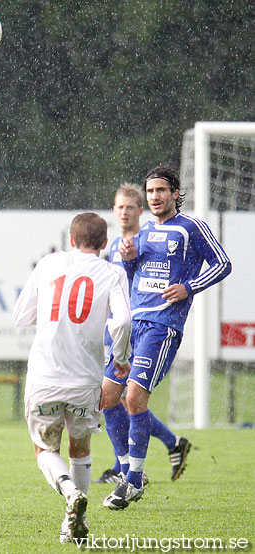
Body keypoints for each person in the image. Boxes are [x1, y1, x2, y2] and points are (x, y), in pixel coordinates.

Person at [103, 165, 232, 510]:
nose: (155, 197)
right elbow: (133, 279)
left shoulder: (190, 227)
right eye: (150, 191)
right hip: (133, 325)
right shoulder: (143, 232)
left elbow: (222, 264)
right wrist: (130, 261)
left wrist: (188, 287)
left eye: (161, 190)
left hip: (162, 327)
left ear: (175, 193)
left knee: (133, 398)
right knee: (107, 396)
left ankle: (132, 480)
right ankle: (142, 461)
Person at [13, 212, 132, 544]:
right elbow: (122, 322)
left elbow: (21, 315)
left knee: (43, 448)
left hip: (44, 376)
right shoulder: (112, 272)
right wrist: (120, 359)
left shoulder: (50, 264)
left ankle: (68, 492)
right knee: (80, 447)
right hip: (85, 380)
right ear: (104, 244)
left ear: (71, 240)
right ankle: (71, 525)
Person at [98, 184, 189, 485]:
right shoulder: (112, 245)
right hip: (118, 328)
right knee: (112, 397)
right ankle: (169, 444)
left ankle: (123, 468)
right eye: (119, 207)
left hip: (145, 324)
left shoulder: (149, 240)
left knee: (130, 398)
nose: (124, 212)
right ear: (113, 210)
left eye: (130, 207)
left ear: (140, 210)